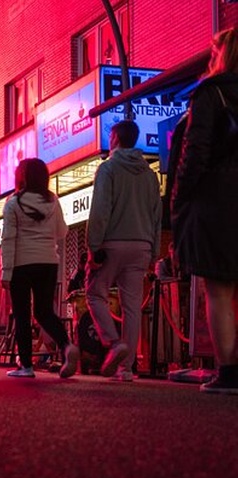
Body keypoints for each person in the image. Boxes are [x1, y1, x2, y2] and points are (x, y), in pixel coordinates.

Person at [172, 28, 238, 394]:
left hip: (219, 201)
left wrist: (180, 200)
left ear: (222, 55)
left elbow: (194, 154)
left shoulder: (210, 93)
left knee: (219, 289)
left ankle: (228, 371)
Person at [86, 120, 162, 381]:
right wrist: (153, 252)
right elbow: (156, 215)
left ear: (115, 138)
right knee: (132, 307)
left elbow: (100, 211)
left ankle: (114, 343)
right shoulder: (149, 174)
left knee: (95, 294)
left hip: (111, 244)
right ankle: (126, 368)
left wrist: (93, 246)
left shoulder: (108, 169)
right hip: (141, 245)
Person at [1, 158, 79, 378]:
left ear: (21, 176)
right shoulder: (52, 200)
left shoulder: (13, 203)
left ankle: (26, 366)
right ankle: (66, 345)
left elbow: (8, 239)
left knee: (22, 314)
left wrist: (6, 272)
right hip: (48, 263)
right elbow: (62, 231)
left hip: (21, 265)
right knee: (44, 311)